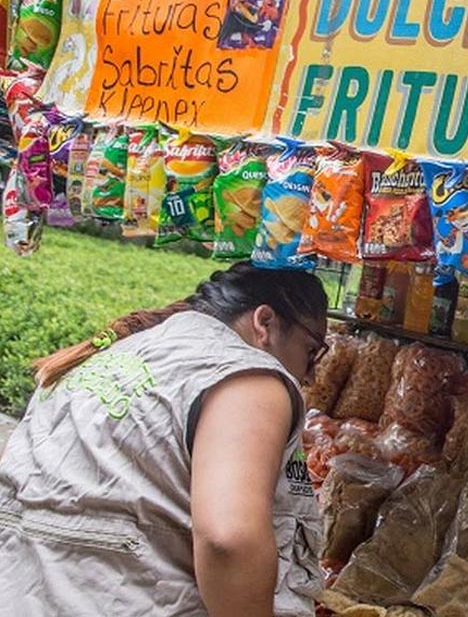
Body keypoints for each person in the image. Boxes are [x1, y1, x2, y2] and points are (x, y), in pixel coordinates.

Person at [0, 262, 329, 617]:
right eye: (312, 352)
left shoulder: (114, 356)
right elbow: (228, 539)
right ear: (264, 323)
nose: (310, 376)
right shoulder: (247, 377)